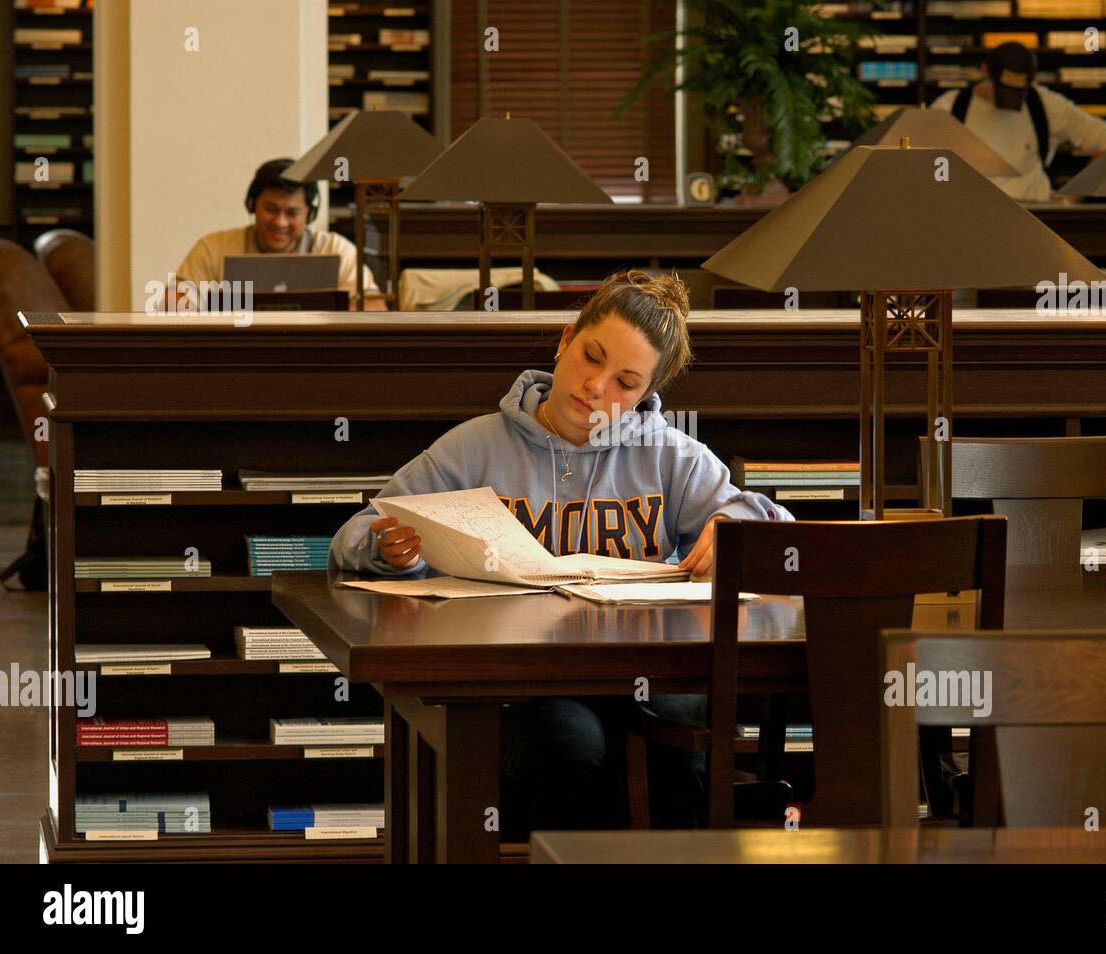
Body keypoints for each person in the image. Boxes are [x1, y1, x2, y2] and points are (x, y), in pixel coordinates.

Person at [329, 269, 794, 833]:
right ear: (565, 338)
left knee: (682, 737)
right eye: (591, 356)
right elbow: (355, 535)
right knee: (570, 747)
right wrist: (393, 552)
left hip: (646, 674)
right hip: (526, 684)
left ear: (647, 395)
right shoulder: (475, 447)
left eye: (626, 382)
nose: (597, 387)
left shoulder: (672, 456)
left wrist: (732, 522)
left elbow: (776, 527)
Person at [930, 42, 1106, 202]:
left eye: (1018, 92)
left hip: (1034, 219)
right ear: (985, 70)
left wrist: (1071, 197)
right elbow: (923, 164)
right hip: (968, 219)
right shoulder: (949, 107)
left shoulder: (1045, 105)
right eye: (1004, 90)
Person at [175, 158, 378, 305]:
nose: (280, 223)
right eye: (271, 210)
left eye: (292, 213)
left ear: (310, 213)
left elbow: (374, 309)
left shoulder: (337, 250)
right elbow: (171, 307)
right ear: (253, 205)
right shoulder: (213, 249)